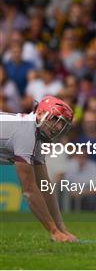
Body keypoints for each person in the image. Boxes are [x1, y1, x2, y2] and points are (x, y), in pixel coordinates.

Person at [0, 96, 77, 242]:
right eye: (55, 120)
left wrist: (62, 230)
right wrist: (54, 232)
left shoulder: (35, 135)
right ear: (40, 114)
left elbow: (45, 187)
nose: (58, 127)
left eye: (62, 124)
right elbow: (29, 191)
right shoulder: (26, 133)